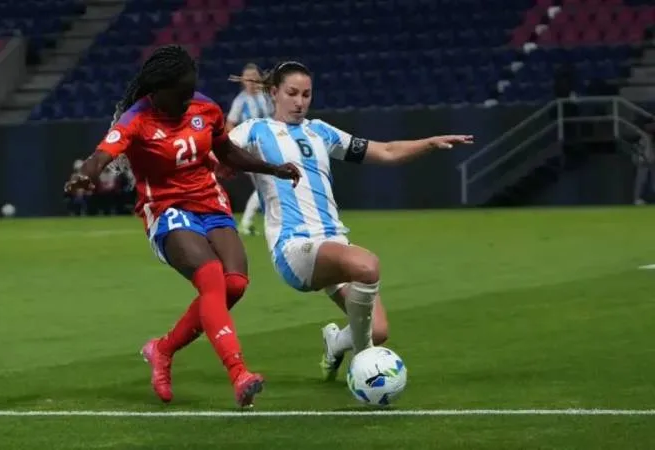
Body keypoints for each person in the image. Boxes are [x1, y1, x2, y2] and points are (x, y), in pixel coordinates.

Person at [63, 45, 300, 407]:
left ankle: (162, 349)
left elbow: (226, 152)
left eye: (192, 90)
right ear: (157, 93)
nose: (190, 99)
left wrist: (273, 168)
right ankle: (239, 374)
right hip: (168, 209)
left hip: (210, 201)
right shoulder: (136, 119)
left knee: (234, 284)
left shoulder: (204, 107)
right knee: (210, 279)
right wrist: (84, 176)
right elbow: (100, 157)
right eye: (181, 94)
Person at [227, 61, 473, 381]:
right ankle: (363, 370)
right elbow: (217, 150)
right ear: (274, 93)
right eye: (292, 93)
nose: (300, 101)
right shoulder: (254, 130)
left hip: (333, 243)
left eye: (306, 94)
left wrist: (428, 143)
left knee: (378, 331)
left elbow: (385, 151)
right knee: (367, 265)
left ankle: (336, 344)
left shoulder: (321, 131)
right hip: (295, 245)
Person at [226, 63, 273, 236]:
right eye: (248, 78)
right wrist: (236, 145)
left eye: (254, 77)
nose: (251, 81)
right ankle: (248, 222)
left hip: (270, 146)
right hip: (251, 150)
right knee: (267, 185)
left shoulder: (267, 96)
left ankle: (248, 222)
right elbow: (230, 123)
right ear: (243, 81)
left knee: (267, 186)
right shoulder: (240, 101)